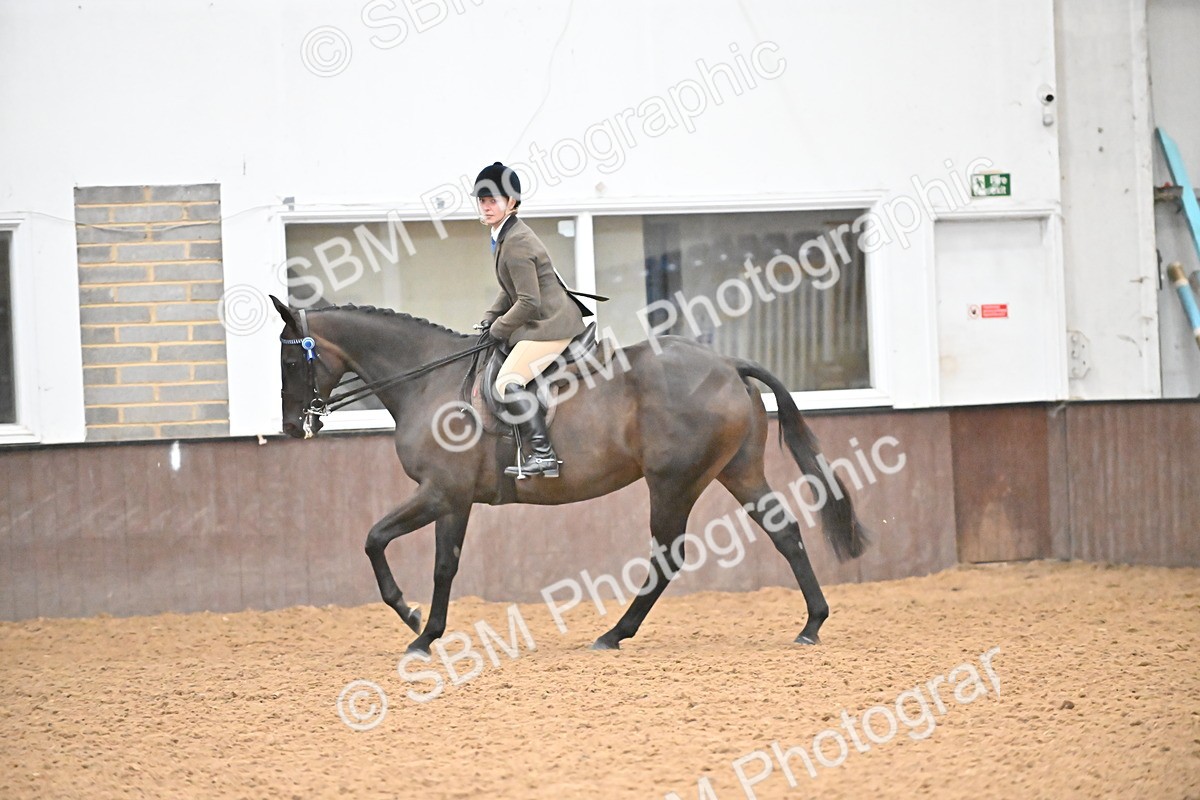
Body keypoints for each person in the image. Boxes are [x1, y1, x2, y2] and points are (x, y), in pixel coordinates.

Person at [472, 162, 587, 478]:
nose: (486, 206)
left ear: (511, 202)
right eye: (482, 200)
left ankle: (543, 454)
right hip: (541, 318)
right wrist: (489, 317)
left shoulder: (517, 242)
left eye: (493, 200)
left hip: (552, 324)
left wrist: (499, 328)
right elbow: (510, 289)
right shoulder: (505, 235)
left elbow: (529, 301)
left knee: (508, 381)